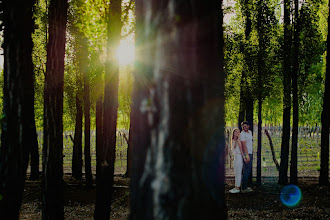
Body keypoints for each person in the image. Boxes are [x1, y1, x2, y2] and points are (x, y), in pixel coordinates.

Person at [229, 128, 250, 193]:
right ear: (233, 133)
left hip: (239, 157)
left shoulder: (238, 140)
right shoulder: (233, 140)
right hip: (235, 157)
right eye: (236, 132)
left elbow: (241, 150)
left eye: (238, 132)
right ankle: (236, 187)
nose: (237, 133)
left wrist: (245, 158)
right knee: (236, 173)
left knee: (238, 173)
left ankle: (237, 188)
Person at [240, 121, 254, 193]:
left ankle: (245, 186)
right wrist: (246, 156)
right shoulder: (242, 134)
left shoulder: (250, 132)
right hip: (247, 154)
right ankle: (244, 188)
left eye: (245, 126)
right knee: (246, 170)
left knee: (248, 170)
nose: (244, 128)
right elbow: (244, 146)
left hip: (250, 153)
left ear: (248, 126)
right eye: (243, 127)